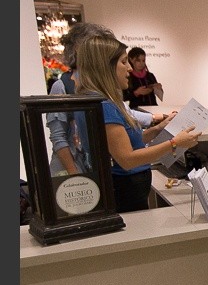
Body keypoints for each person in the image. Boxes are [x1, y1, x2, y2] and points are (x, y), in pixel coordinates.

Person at [76, 35, 201, 213]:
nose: (129, 68)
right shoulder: (105, 106)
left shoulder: (99, 102)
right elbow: (127, 159)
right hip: (124, 189)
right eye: (124, 61)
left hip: (125, 187)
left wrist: (158, 128)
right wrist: (174, 143)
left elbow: (123, 142)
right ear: (105, 66)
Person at [47, 23, 170, 176]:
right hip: (78, 171)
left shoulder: (102, 92)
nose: (130, 68)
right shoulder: (72, 89)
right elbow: (59, 137)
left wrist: (157, 121)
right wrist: (75, 175)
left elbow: (124, 116)